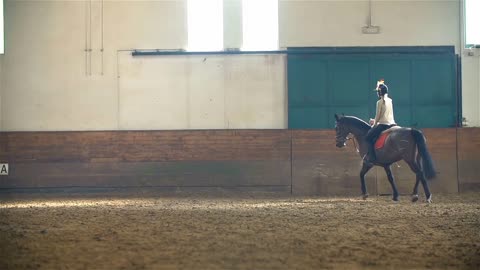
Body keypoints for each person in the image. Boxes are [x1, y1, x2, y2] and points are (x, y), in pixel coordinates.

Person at [365, 79, 396, 163]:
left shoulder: (379, 102)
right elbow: (386, 115)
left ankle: (372, 158)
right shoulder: (390, 100)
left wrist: (374, 124)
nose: (377, 93)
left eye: (378, 91)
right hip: (392, 124)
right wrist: (375, 120)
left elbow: (378, 116)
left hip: (383, 125)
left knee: (367, 138)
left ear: (380, 92)